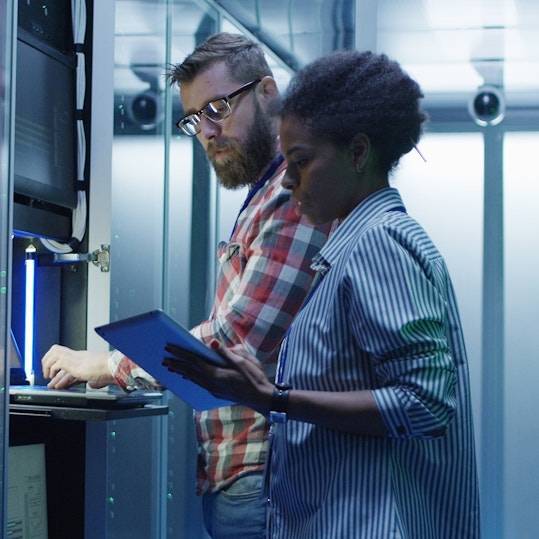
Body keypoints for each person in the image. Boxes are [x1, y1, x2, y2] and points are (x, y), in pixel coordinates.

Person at [163, 50, 481, 538]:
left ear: (357, 153)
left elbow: (425, 402)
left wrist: (276, 398)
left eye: (301, 162)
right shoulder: (352, 246)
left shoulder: (378, 241)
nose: (287, 181)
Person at [41, 33, 331, 539]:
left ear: (267, 92)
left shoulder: (291, 195)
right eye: (194, 118)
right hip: (248, 474)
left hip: (265, 473)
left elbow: (234, 342)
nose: (208, 131)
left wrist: (108, 367)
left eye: (219, 107)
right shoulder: (267, 196)